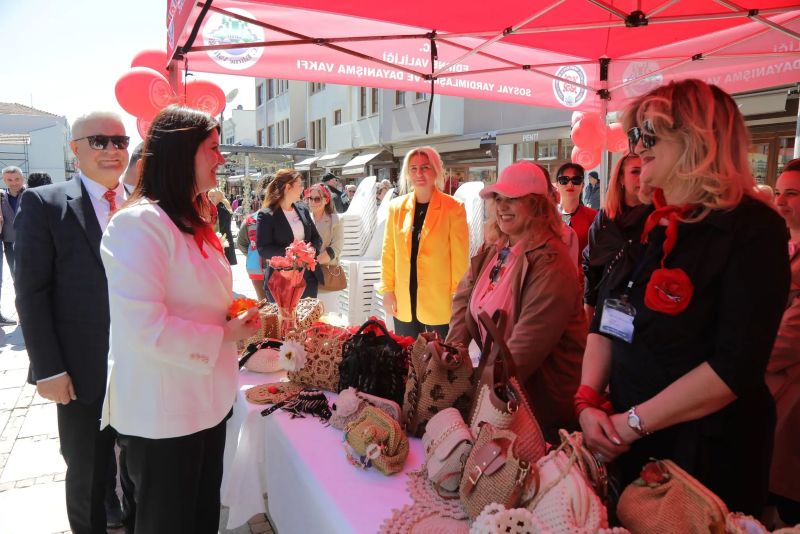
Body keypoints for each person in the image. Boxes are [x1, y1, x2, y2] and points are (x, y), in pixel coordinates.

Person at [577, 79, 790, 517]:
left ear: (698, 139)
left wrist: (629, 424)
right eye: (635, 135)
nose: (637, 147)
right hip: (629, 442)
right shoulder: (648, 222)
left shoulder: (753, 229)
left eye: (649, 135)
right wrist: (586, 401)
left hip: (704, 462)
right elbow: (609, 318)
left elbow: (734, 368)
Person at [99, 106, 259, 533]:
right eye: (213, 148)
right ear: (182, 152)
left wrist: (233, 308)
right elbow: (144, 326)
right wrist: (224, 333)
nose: (221, 158)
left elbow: (196, 295)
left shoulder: (189, 218)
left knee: (202, 519)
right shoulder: (138, 224)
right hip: (163, 416)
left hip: (206, 406)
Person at [15, 111, 131, 533]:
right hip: (82, 372)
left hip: (143, 366)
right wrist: (49, 369)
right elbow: (32, 293)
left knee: (142, 473)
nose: (111, 150)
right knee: (87, 474)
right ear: (74, 149)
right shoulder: (44, 203)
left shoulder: (146, 204)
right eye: (99, 141)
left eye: (120, 141)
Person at [447, 161, 586, 437]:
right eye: (498, 198)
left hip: (538, 410)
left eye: (512, 199)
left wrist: (479, 394)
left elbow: (524, 348)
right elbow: (463, 302)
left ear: (537, 205)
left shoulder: (551, 261)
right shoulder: (496, 246)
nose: (502, 206)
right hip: (503, 395)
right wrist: (450, 360)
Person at [380, 146, 469, 339]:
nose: (419, 173)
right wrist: (387, 290)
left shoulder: (453, 208)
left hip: (439, 302)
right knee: (407, 352)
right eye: (413, 168)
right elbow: (388, 254)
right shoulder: (396, 208)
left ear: (436, 170)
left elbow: (460, 260)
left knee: (441, 354)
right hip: (404, 300)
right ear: (407, 173)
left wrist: (458, 297)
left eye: (425, 167)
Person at [767, 158, 800, 528]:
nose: (780, 201)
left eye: (791, 193)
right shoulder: (781, 246)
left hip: (789, 401)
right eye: (778, 193)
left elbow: (786, 341)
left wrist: (738, 348)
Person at [582, 154, 651, 323]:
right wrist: (589, 310)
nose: (642, 177)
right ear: (621, 178)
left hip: (645, 316)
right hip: (607, 312)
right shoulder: (605, 218)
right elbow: (592, 265)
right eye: (635, 171)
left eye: (646, 170)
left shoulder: (658, 220)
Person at [257, 169, 323, 300]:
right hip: (280, 281)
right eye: (299, 185)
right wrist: (293, 254)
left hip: (307, 279)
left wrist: (309, 252)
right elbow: (263, 249)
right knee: (284, 314)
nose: (303, 189)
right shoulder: (267, 214)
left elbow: (316, 239)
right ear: (288, 187)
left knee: (307, 314)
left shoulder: (302, 209)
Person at [305, 183, 344, 310]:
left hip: (326, 276)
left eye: (317, 199)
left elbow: (336, 248)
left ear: (326, 200)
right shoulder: (304, 219)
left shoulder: (335, 220)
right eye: (310, 198)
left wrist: (312, 263)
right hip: (305, 278)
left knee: (328, 315)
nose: (312, 202)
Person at [554, 162, 597, 262]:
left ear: (582, 186)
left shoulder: (593, 217)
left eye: (576, 180)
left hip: (582, 271)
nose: (570, 184)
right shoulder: (546, 216)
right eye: (564, 180)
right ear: (557, 185)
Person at [236, 180, 269, 301]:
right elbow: (241, 243)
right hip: (258, 270)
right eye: (264, 197)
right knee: (266, 304)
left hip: (266, 269)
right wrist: (253, 253)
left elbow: (241, 243)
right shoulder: (251, 221)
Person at [1, 165, 25, 279]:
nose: (14, 183)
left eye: (17, 179)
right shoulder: (1, 197)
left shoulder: (32, 195)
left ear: (23, 178)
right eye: (9, 180)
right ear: (4, 180)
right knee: (15, 274)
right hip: (9, 243)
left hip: (29, 241)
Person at [208, 188, 237, 265]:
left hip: (223, 239)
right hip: (222, 239)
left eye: (213, 196)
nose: (211, 198)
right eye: (209, 196)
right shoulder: (217, 207)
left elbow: (220, 226)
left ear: (218, 197)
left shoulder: (221, 209)